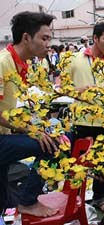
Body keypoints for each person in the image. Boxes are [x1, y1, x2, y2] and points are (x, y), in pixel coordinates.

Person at [0, 11, 59, 217]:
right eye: (44, 38)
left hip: (4, 135)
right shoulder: (2, 63)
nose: (48, 44)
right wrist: (32, 131)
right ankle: (28, 202)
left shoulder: (20, 65)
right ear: (26, 37)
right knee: (51, 145)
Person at [69, 21, 104, 210]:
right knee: (76, 161)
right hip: (81, 120)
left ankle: (99, 198)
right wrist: (77, 91)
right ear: (95, 38)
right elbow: (63, 88)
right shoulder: (75, 60)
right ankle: (72, 198)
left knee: (101, 164)